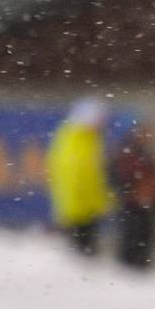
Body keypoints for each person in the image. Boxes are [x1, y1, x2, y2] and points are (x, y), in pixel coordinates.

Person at [46, 99, 115, 257]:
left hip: (80, 208)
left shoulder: (78, 138)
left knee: (82, 257)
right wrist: (99, 201)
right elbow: (83, 176)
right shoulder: (79, 141)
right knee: (82, 257)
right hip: (80, 210)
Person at [110, 121, 155, 269]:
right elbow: (117, 179)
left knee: (145, 244)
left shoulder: (147, 156)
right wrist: (133, 194)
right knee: (133, 243)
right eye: (144, 133)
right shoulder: (128, 155)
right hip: (133, 208)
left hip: (147, 208)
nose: (148, 137)